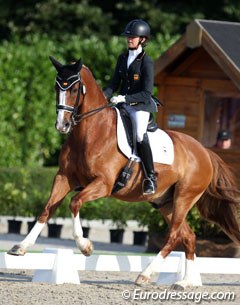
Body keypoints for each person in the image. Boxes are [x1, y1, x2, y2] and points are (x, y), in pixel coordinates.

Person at [103, 19, 158, 195]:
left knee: (140, 135)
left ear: (142, 39)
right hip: (122, 104)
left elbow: (146, 93)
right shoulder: (122, 58)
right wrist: (102, 96)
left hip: (140, 107)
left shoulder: (146, 62)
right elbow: (114, 83)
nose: (129, 40)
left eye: (132, 37)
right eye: (128, 37)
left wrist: (124, 98)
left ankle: (151, 177)